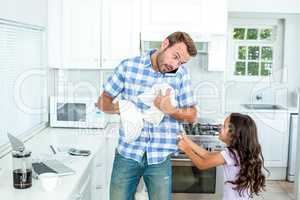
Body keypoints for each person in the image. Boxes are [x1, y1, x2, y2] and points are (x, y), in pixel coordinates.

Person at [97, 31, 198, 200]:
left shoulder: (182, 74)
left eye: (181, 62)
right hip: (127, 154)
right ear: (165, 44)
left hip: (160, 157)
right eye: (175, 56)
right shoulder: (128, 67)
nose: (175, 65)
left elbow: (193, 115)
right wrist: (125, 108)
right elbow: (102, 102)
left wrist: (170, 109)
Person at [178, 113, 267, 200]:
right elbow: (207, 155)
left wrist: (186, 149)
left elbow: (202, 164)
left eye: (224, 126)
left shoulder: (230, 154)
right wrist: (187, 140)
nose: (220, 127)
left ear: (233, 135)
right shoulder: (238, 152)